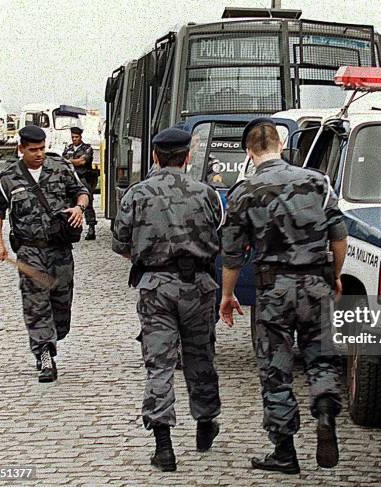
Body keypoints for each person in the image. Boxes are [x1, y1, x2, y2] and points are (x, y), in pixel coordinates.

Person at [220, 118, 348, 474]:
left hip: (273, 291)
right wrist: (334, 274)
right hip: (316, 284)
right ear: (281, 144)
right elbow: (339, 234)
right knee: (322, 358)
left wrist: (227, 295)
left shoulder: (244, 192)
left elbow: (232, 254)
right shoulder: (316, 181)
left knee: (275, 370)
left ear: (249, 152)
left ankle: (285, 451)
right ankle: (324, 410)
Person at [112, 127, 224, 472]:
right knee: (200, 356)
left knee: (159, 364)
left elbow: (119, 241)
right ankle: (205, 422)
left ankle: (163, 446)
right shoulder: (206, 193)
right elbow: (219, 232)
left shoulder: (137, 193)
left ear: (156, 157)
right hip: (199, 286)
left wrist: (150, 250)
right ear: (188, 156)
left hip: (156, 286)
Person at [0, 125, 89, 383]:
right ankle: (44, 354)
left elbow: (82, 193)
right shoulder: (8, 177)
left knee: (61, 307)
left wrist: (79, 208)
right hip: (30, 251)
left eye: (42, 148)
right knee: (36, 305)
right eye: (33, 150)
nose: (39, 154)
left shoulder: (61, 167)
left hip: (60, 250)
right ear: (21, 149)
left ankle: (53, 337)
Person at [62, 127, 97, 240]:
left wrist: (69, 161)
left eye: (76, 137)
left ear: (80, 137)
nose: (74, 139)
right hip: (71, 179)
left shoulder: (87, 148)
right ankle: (72, 229)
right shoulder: (68, 148)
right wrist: (72, 161)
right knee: (70, 203)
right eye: (72, 137)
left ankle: (91, 228)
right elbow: (63, 161)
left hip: (83, 178)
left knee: (87, 203)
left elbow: (82, 161)